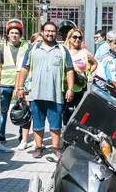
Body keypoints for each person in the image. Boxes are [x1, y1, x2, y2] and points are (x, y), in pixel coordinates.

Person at [15, 21, 75, 162]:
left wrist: (70, 88)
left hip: (56, 94)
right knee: (37, 122)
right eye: (47, 31)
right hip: (36, 93)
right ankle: (38, 147)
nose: (50, 33)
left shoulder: (62, 50)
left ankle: (55, 148)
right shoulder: (33, 48)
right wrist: (20, 87)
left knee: (56, 123)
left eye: (53, 31)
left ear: (56, 33)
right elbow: (24, 68)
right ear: (42, 32)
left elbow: (69, 70)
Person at [0, 19, 30, 150]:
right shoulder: (1, 48)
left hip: (21, 85)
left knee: (22, 111)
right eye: (12, 33)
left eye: (16, 33)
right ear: (8, 34)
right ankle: (1, 136)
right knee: (3, 111)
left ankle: (22, 137)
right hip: (5, 84)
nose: (14, 35)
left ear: (20, 35)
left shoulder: (26, 47)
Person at [63, 28, 97, 125]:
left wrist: (89, 73)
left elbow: (95, 63)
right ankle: (66, 131)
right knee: (66, 113)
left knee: (79, 113)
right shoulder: (64, 51)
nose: (77, 39)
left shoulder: (84, 52)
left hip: (81, 87)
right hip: (66, 88)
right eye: (74, 37)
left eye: (80, 38)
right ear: (69, 38)